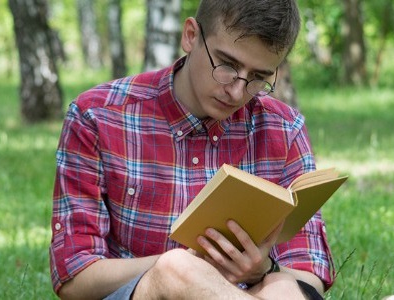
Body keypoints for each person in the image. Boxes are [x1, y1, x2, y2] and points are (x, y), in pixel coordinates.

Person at [49, 0, 334, 298]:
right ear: (191, 36)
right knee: (177, 270)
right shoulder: (97, 115)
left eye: (259, 78)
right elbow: (75, 278)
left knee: (283, 285)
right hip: (145, 292)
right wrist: (192, 267)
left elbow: (309, 274)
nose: (237, 91)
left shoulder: (284, 128)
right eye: (227, 65)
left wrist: (264, 270)